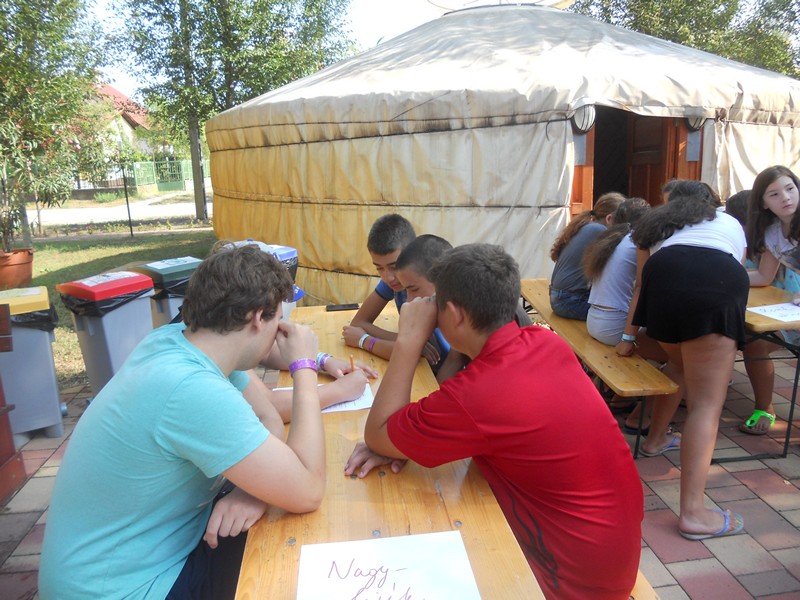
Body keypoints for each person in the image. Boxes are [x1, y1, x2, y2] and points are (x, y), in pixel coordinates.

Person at [40, 245, 367, 599]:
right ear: (258, 318)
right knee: (296, 552)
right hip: (123, 589)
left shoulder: (177, 342)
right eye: (278, 322)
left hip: (132, 563)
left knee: (269, 517)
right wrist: (303, 366)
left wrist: (252, 491)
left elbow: (267, 414)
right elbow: (307, 491)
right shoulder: (191, 389)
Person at [345, 243, 643, 600]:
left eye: (431, 305)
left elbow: (377, 434)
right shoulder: (545, 342)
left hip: (572, 583)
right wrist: (411, 439)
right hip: (609, 556)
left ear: (454, 314)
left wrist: (409, 339)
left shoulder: (480, 393)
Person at [630, 180, 748, 539]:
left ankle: (654, 440)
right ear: (711, 202)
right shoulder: (728, 221)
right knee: (706, 405)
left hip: (663, 279)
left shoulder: (657, 224)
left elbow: (640, 284)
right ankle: (694, 514)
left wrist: (627, 337)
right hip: (716, 280)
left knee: (679, 365)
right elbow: (736, 266)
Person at [583, 197, 669, 434]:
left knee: (654, 340)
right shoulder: (637, 243)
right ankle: (640, 418)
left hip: (595, 320)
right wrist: (628, 338)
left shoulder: (613, 239)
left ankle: (620, 399)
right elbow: (643, 287)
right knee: (677, 358)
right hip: (613, 326)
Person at [744, 166, 800, 434]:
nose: (785, 197)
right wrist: (724, 276)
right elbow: (764, 276)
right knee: (754, 342)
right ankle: (764, 407)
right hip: (792, 309)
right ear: (764, 203)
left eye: (790, 189)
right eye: (774, 194)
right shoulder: (773, 231)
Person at [394, 234, 469, 382]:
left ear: (441, 280)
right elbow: (454, 360)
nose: (408, 300)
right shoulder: (446, 309)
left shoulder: (467, 315)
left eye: (414, 289)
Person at [549, 192, 625, 320]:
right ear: (609, 219)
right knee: (621, 317)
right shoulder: (599, 230)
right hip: (569, 301)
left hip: (561, 297)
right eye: (621, 223)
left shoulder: (586, 226)